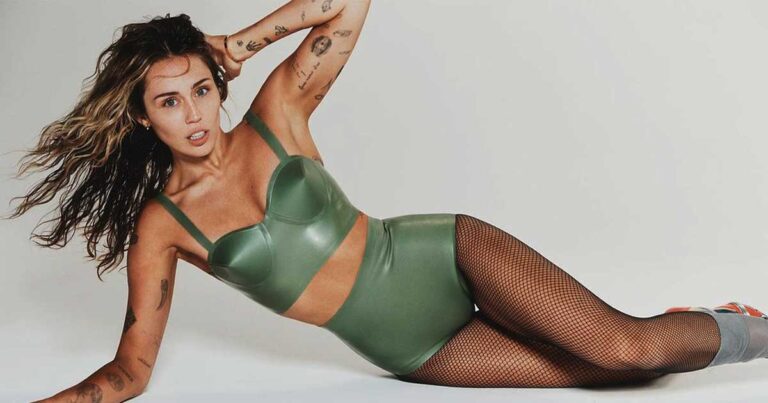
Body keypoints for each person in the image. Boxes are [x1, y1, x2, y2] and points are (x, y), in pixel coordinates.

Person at [6, 2, 767, 402]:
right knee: (612, 374)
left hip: (445, 256)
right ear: (145, 118)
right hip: (414, 349)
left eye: (200, 89)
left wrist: (240, 43)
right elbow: (130, 371)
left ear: (216, 83)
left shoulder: (276, 116)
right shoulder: (162, 226)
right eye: (170, 102)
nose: (194, 114)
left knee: (626, 348)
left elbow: (348, 3)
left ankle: (749, 329)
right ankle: (692, 322)